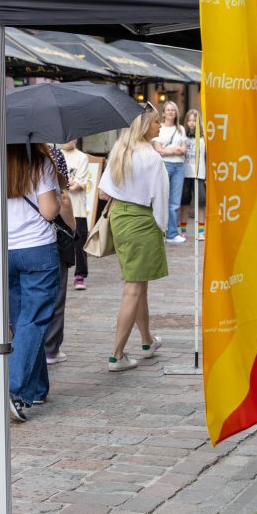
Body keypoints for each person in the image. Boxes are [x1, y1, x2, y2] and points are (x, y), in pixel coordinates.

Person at [98, 107, 169, 373]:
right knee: (133, 287)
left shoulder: (120, 151)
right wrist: (161, 230)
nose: (160, 126)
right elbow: (160, 200)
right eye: (155, 123)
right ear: (143, 127)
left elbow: (104, 193)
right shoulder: (152, 157)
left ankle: (147, 341)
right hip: (141, 220)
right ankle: (116, 355)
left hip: (120, 217)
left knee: (139, 284)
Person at [6, 144, 64, 421]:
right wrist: (60, 196)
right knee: (34, 319)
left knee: (22, 321)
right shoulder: (40, 163)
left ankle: (38, 387)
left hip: (5, 249)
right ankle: (14, 390)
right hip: (37, 248)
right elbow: (49, 210)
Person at [43, 148, 78, 369]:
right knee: (55, 292)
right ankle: (50, 348)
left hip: (14, 238)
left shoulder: (8, 151)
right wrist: (73, 226)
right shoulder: (52, 154)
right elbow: (63, 196)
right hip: (50, 234)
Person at [152, 100, 187, 243]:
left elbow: (184, 150)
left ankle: (172, 233)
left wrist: (168, 150)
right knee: (162, 199)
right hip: (165, 165)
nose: (171, 112)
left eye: (173, 110)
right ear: (163, 112)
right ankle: (162, 232)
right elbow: (158, 150)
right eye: (168, 110)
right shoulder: (158, 128)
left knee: (174, 202)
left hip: (179, 166)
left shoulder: (181, 129)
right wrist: (174, 150)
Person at [59, 139, 91, 290]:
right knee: (59, 241)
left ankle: (80, 275)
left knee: (79, 242)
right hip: (58, 206)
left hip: (77, 207)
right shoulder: (56, 155)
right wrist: (68, 183)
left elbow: (79, 184)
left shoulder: (82, 157)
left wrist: (66, 184)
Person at [179, 109, 207, 241]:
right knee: (184, 203)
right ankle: (183, 230)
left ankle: (201, 231)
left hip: (200, 174)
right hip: (185, 173)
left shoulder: (203, 138)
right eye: (189, 120)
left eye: (194, 121)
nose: (191, 123)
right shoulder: (182, 136)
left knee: (201, 202)